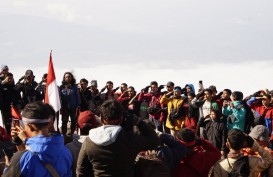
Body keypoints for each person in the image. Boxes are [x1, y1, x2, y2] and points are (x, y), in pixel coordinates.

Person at [76, 100, 160, 177]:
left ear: (101, 118)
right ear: (121, 118)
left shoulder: (89, 141)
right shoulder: (129, 138)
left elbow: (81, 171)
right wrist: (138, 121)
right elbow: (155, 141)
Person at [2, 101, 72, 177]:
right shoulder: (66, 152)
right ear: (49, 122)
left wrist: (8, 167)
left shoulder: (22, 158)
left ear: (31, 126)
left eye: (24, 125)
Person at [59, 72, 81, 136]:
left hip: (73, 107)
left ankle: (72, 134)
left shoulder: (74, 87)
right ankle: (63, 135)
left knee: (74, 121)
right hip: (65, 107)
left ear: (71, 78)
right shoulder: (61, 87)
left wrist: (78, 106)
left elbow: (78, 96)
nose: (68, 78)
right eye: (66, 77)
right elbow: (60, 98)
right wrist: (61, 107)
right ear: (64, 78)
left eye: (69, 77)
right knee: (64, 121)